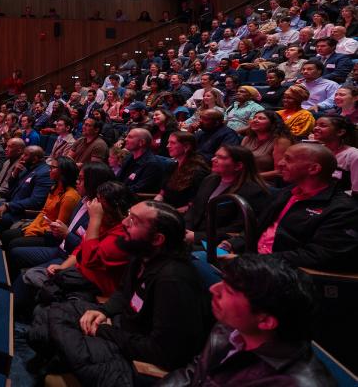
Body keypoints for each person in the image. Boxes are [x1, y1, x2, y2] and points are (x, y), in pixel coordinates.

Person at [29, 201, 210, 385]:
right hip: (122, 328)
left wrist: (104, 331)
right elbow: (124, 293)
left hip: (137, 361)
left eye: (134, 220)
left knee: (56, 328)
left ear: (157, 239)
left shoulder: (174, 280)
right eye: (128, 215)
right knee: (49, 313)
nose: (124, 223)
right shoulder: (141, 254)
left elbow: (162, 352)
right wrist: (104, 311)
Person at [159, 255, 335, 386]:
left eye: (229, 291)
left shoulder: (294, 383)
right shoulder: (230, 327)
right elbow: (194, 373)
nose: (213, 289)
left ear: (265, 321)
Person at [223, 143, 358, 272]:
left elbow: (321, 255)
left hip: (285, 274)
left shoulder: (343, 209)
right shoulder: (287, 193)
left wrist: (253, 260)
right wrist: (233, 243)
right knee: (203, 258)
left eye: (288, 159)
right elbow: (260, 226)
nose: (280, 164)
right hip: (254, 262)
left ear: (314, 169)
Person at [184, 145, 270, 248]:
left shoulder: (254, 192)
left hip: (217, 244)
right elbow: (194, 209)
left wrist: (198, 237)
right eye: (215, 156)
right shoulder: (210, 180)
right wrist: (184, 229)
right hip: (192, 234)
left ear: (238, 166)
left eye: (221, 157)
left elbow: (238, 229)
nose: (213, 159)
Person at [155, 131, 211, 212]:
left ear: (186, 147)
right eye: (168, 142)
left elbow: (193, 206)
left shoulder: (198, 173)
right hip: (165, 210)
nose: (168, 146)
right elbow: (162, 193)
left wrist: (169, 213)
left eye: (173, 143)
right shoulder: (172, 166)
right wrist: (155, 203)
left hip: (180, 216)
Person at [311, 115, 358, 194]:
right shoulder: (316, 151)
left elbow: (356, 191)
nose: (316, 128)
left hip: (341, 202)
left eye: (323, 125)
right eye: (316, 125)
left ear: (340, 132)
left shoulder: (353, 155)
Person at [240, 110, 293, 179]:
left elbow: (279, 171)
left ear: (272, 123)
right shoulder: (247, 138)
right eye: (254, 118)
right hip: (243, 179)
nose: (255, 120)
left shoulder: (281, 141)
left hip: (265, 182)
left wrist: (250, 177)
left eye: (261, 118)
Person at [117, 128, 167, 193]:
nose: (126, 139)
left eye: (130, 137)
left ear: (141, 142)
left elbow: (138, 189)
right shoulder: (130, 157)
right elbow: (119, 179)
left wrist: (115, 191)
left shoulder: (152, 164)